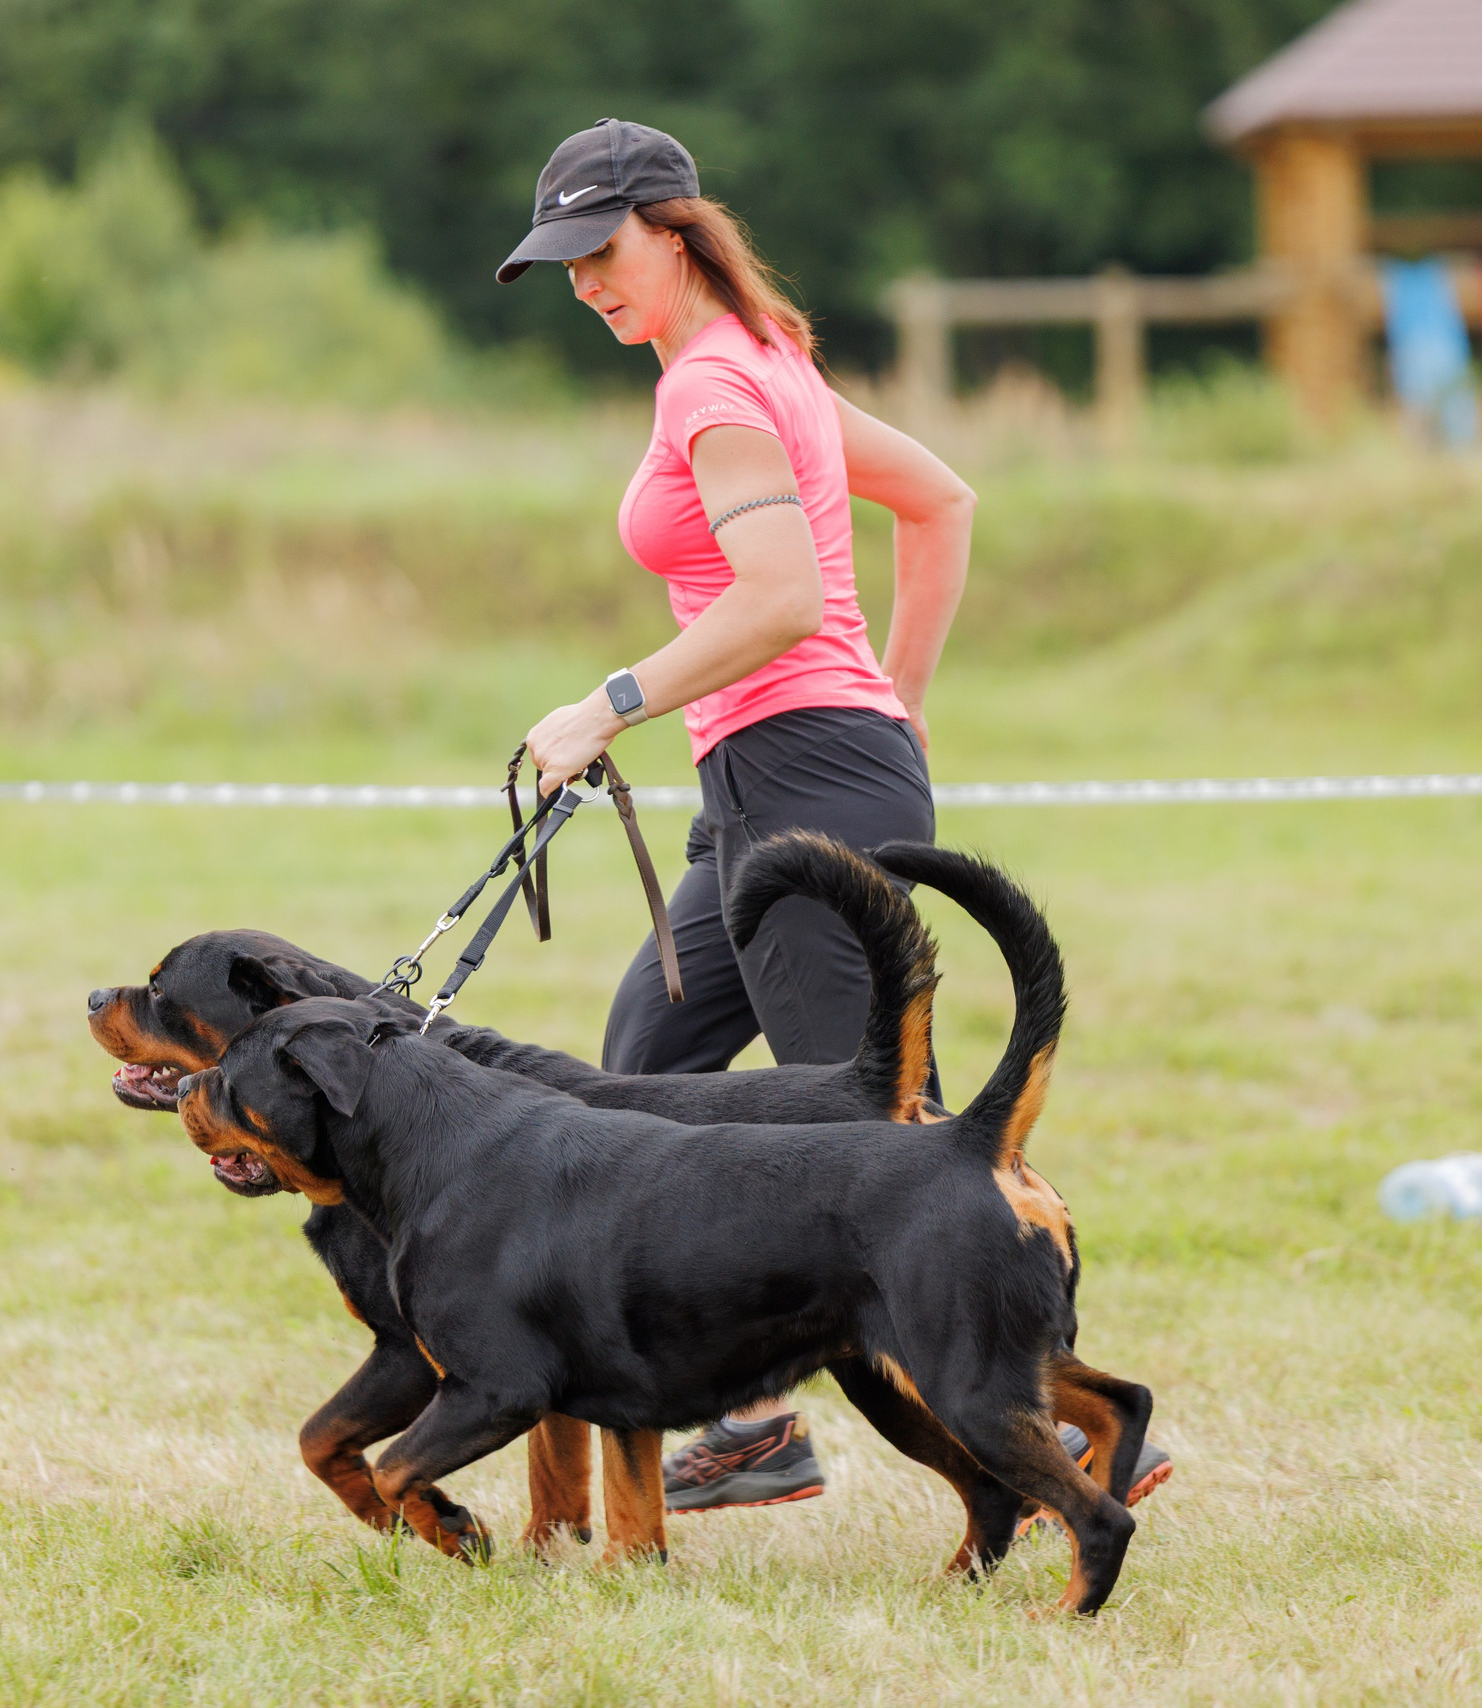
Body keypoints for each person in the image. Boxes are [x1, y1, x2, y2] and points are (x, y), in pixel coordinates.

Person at [503, 119, 1170, 1519]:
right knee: (642, 1065)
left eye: (602, 252)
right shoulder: (763, 365)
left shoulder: (721, 392)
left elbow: (785, 599)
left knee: (890, 1143)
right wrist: (901, 695)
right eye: (562, 265)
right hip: (773, 785)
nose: (585, 285)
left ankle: (1077, 1409)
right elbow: (942, 498)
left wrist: (606, 704)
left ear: (674, 228)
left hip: (805, 776)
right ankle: (747, 1422)